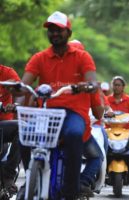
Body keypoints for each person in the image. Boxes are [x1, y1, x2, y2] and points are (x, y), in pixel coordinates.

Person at [16, 11, 100, 200]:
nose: (54, 33)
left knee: (74, 134)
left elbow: (93, 82)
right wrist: (18, 101)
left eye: (59, 30)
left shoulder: (82, 57)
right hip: (47, 113)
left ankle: (71, 191)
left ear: (68, 33)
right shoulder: (40, 57)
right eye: (51, 30)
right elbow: (24, 86)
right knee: (24, 134)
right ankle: (32, 178)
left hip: (73, 113)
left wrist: (85, 87)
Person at [69, 40, 104, 197]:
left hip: (51, 128)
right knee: (97, 157)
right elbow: (98, 113)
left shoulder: (54, 74)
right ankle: (83, 183)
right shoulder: (90, 82)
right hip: (80, 129)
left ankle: (30, 181)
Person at [0, 64, 21, 195]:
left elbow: (21, 91)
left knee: (23, 127)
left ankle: (8, 174)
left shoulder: (7, 73)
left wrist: (15, 89)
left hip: (2, 124)